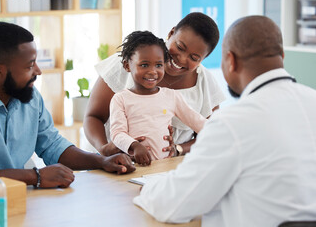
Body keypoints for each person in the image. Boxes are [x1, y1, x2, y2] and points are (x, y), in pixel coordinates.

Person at [133, 15, 316, 226]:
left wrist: (151, 190)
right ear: (282, 56)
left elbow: (172, 205)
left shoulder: (232, 123)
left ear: (231, 60)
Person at [0, 22, 135, 187]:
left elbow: (52, 145)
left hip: (15, 201)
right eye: (29, 66)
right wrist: (35, 176)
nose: (38, 71)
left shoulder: (27, 95)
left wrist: (102, 160)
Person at [84, 12, 226, 157]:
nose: (182, 59)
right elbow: (93, 117)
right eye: (180, 47)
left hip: (165, 168)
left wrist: (178, 149)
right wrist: (105, 150)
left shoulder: (204, 83)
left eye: (194, 57)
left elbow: (210, 132)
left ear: (203, 59)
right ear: (171, 33)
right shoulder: (129, 62)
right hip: (114, 163)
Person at [110, 31, 207, 165]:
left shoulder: (171, 96)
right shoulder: (120, 99)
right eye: (144, 65)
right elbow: (117, 134)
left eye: (159, 65)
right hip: (133, 166)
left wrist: (224, 130)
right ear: (127, 66)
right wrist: (135, 146)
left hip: (164, 167)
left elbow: (198, 122)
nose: (152, 71)